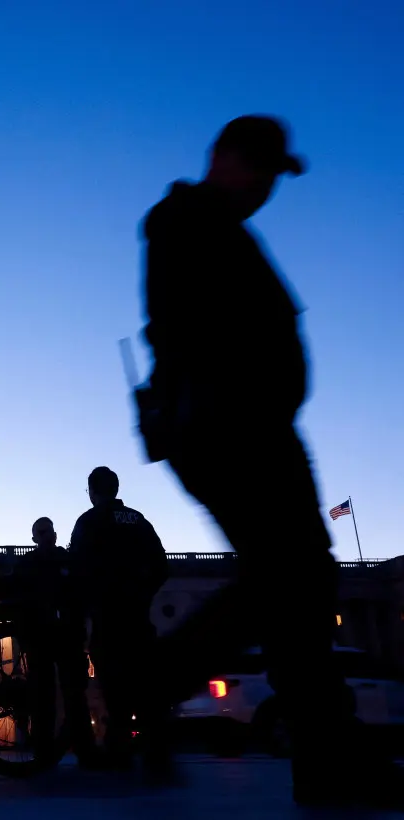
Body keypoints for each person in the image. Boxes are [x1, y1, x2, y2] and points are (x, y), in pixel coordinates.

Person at [137, 114, 403, 807]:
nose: (266, 188)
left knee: (294, 586)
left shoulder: (219, 227)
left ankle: (323, 753)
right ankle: (161, 677)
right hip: (232, 428)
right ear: (226, 158)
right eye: (259, 169)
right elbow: (186, 329)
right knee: (292, 576)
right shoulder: (185, 221)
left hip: (257, 427)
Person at [67, 468, 166, 770]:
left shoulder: (88, 522)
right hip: (138, 616)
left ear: (92, 491)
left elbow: (77, 571)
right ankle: (155, 753)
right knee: (146, 688)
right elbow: (161, 565)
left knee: (114, 690)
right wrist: (142, 594)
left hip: (107, 618)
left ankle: (119, 750)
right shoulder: (138, 520)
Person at [8, 517, 98, 767]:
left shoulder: (31, 564)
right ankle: (75, 750)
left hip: (52, 636)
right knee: (56, 696)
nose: (47, 536)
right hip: (54, 636)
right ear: (37, 538)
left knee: (62, 696)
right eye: (43, 532)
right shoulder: (64, 561)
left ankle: (55, 750)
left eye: (48, 531)